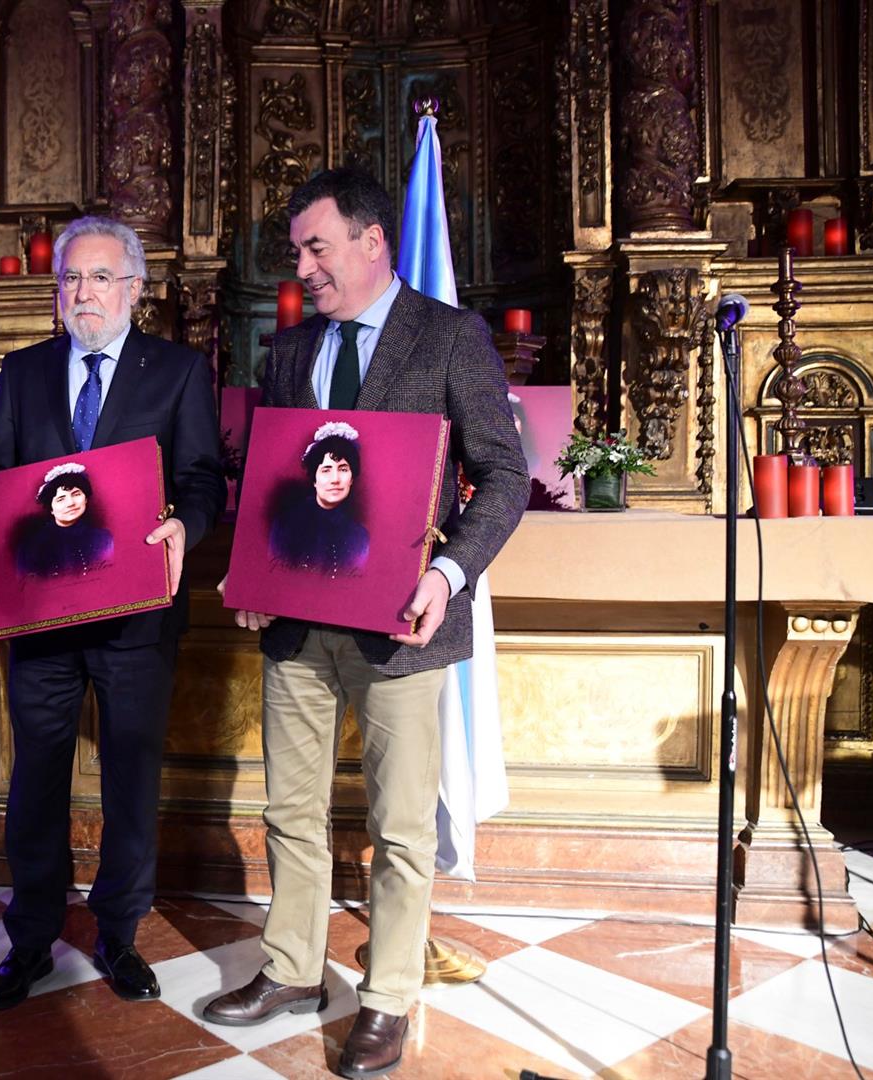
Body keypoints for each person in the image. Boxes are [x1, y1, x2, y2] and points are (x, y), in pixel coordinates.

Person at [207, 169, 528, 1079]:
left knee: (398, 826)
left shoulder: (450, 336)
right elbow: (272, 480)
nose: (302, 266)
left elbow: (503, 474)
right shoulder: (288, 351)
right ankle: (292, 969)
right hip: (297, 626)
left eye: (317, 246)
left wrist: (449, 572)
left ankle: (387, 998)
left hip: (402, 625)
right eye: (298, 250)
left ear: (373, 241)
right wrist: (254, 572)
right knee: (290, 811)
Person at [0, 216, 224, 1009]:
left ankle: (119, 935)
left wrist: (188, 522)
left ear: (134, 290)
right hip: (42, 618)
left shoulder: (178, 373)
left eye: (100, 278)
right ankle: (31, 939)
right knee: (36, 779)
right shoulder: (21, 372)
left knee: (129, 779)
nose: (83, 293)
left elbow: (203, 478)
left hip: (137, 618)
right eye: (71, 280)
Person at [268, 422, 370, 577]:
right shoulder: (284, 526)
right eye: (326, 470)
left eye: (343, 469)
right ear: (314, 478)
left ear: (351, 479)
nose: (335, 479)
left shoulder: (360, 536)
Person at [16, 463, 115, 578]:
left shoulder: (104, 539)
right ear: (51, 508)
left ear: (86, 499)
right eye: (61, 499)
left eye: (76, 494)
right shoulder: (30, 547)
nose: (71, 503)